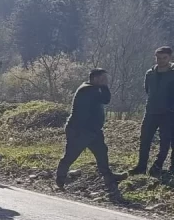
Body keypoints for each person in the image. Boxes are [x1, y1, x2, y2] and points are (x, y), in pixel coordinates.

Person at [55, 68, 126, 200]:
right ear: (95, 78)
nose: (106, 81)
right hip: (80, 130)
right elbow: (106, 99)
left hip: (93, 130)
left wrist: (103, 86)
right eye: (103, 79)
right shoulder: (87, 90)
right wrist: (104, 87)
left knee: (102, 152)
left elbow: (104, 100)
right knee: (71, 155)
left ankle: (109, 177)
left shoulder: (93, 88)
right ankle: (60, 179)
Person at [131, 46, 174, 177]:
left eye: (164, 58)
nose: (161, 60)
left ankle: (157, 166)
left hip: (168, 113)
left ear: (170, 57)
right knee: (145, 140)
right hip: (150, 112)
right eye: (158, 58)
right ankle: (141, 167)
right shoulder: (150, 73)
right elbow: (147, 90)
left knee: (165, 141)